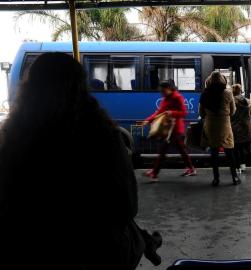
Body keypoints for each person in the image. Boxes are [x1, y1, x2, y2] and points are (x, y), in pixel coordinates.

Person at [0, 53, 162, 270]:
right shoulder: (102, 135)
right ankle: (145, 241)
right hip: (93, 254)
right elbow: (127, 205)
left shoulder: (13, 137)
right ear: (81, 85)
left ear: (30, 88)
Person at [143, 80, 196, 180]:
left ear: (169, 88)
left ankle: (154, 173)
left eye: (163, 90)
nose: (161, 92)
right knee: (181, 150)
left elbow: (184, 112)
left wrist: (171, 113)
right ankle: (191, 168)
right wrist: (148, 120)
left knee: (164, 150)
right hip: (169, 129)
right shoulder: (165, 98)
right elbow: (159, 112)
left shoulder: (177, 97)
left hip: (175, 129)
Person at [199, 71, 241, 186]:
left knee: (214, 153)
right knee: (229, 152)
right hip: (224, 125)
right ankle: (235, 177)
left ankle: (216, 179)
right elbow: (233, 111)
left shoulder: (205, 93)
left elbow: (201, 113)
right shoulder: (228, 93)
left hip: (211, 125)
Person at [230, 84, 251, 173]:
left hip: (235, 128)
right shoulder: (247, 101)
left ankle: (237, 168)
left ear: (233, 91)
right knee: (242, 148)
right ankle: (243, 166)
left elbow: (229, 114)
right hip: (246, 128)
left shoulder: (232, 101)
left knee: (235, 149)